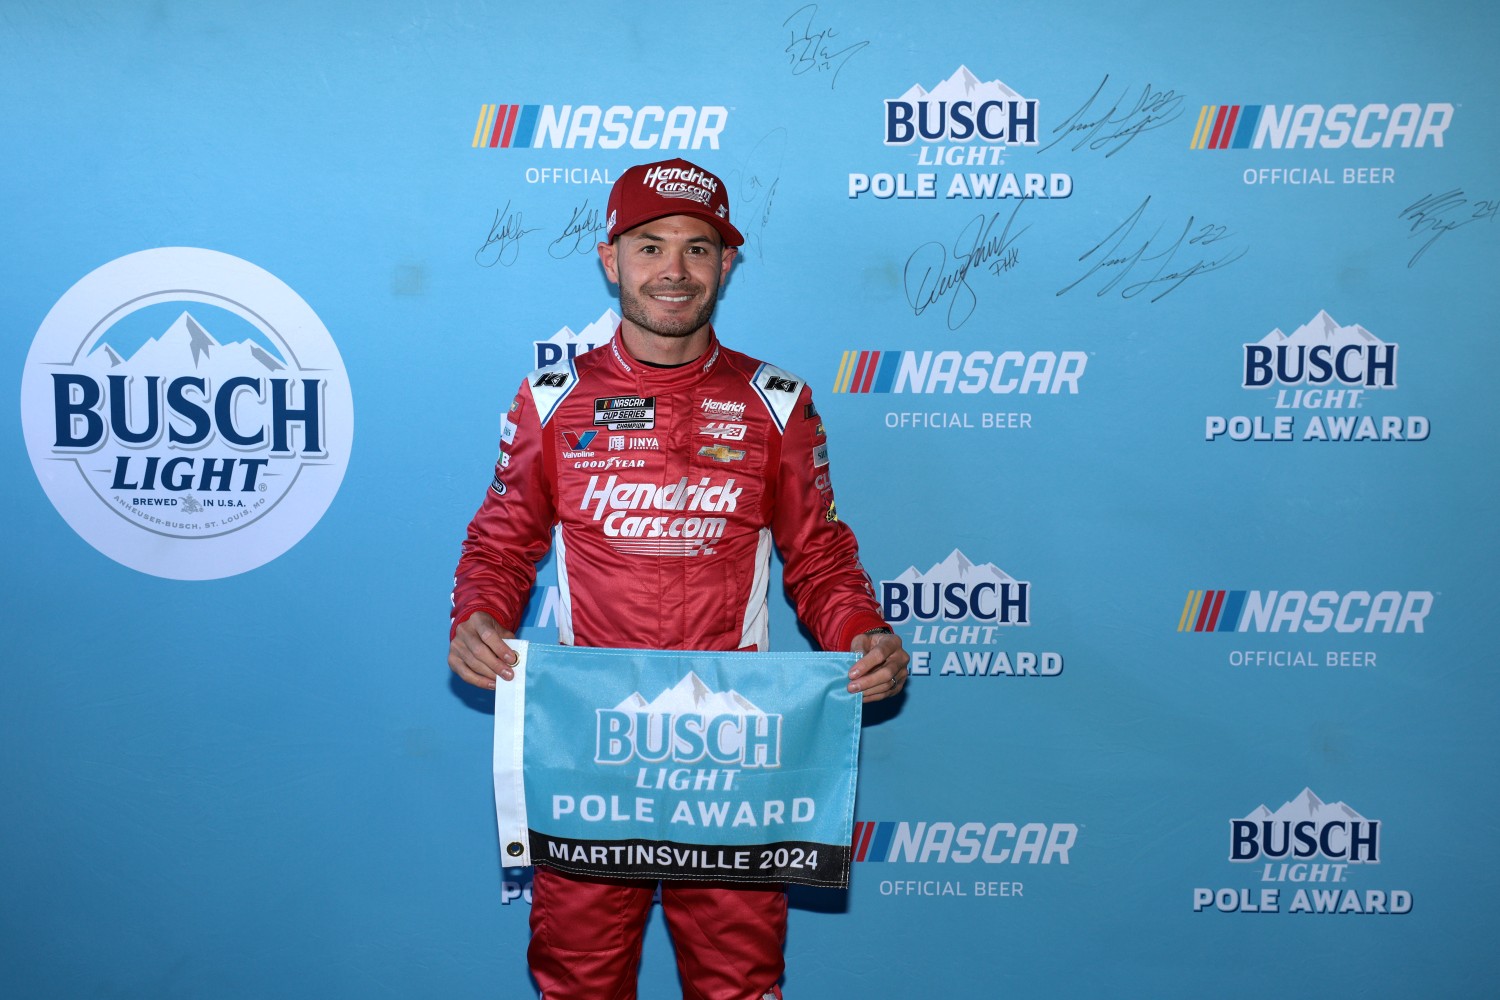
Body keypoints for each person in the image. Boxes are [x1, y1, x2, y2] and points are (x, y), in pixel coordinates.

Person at [448, 157, 908, 1000]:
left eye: (698, 250)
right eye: (650, 246)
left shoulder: (777, 402)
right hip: (591, 744)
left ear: (727, 265)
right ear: (609, 257)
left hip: (731, 750)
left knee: (736, 985)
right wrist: (478, 613)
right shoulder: (550, 400)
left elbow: (818, 554)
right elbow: (503, 543)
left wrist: (861, 631)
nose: (674, 271)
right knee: (578, 984)